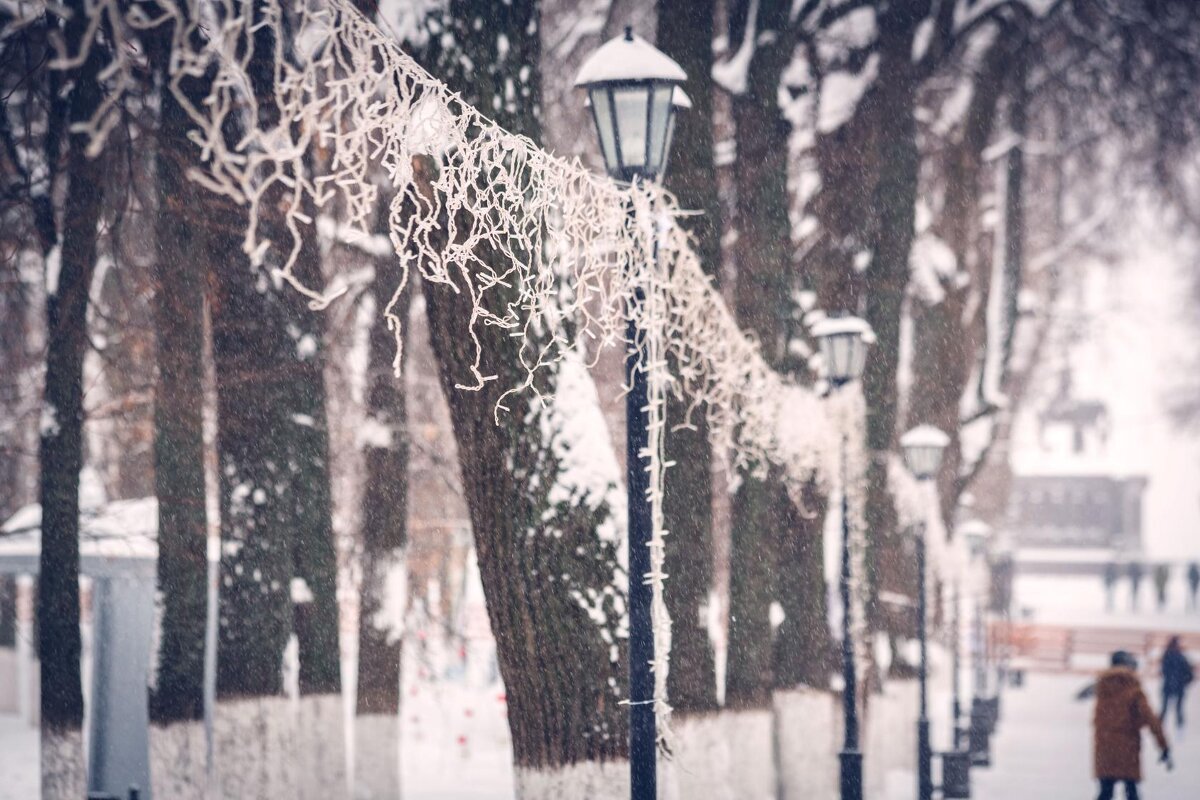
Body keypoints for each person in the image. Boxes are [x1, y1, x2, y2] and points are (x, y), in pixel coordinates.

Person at [1092, 651, 1170, 800]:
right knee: (1131, 791)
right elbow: (1150, 719)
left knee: (1105, 792)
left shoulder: (1102, 686)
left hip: (1105, 748)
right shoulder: (1133, 688)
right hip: (1127, 749)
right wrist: (1163, 745)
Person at [1160, 637, 1193, 729]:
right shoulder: (1177, 657)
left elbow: (1189, 673)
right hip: (1174, 685)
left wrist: (1183, 680)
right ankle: (1177, 727)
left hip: (1175, 685)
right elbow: (1165, 670)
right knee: (1169, 708)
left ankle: (1178, 727)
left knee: (1174, 709)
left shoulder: (1173, 656)